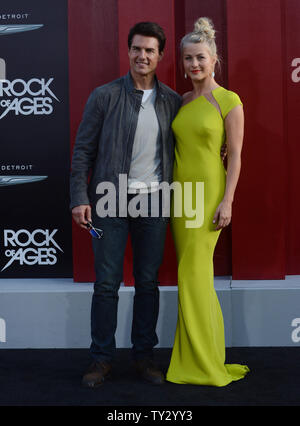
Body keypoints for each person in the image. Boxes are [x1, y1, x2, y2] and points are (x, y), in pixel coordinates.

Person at [70, 22, 182, 387]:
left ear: (160, 55)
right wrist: (79, 197)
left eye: (150, 50)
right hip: (109, 199)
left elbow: (192, 143)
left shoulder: (172, 101)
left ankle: (144, 358)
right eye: (136, 49)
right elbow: (83, 150)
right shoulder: (104, 96)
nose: (142, 56)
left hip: (154, 201)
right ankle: (100, 360)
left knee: (148, 283)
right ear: (128, 51)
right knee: (106, 284)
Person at [166, 17, 250, 386]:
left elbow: (235, 156)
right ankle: (199, 357)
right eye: (188, 58)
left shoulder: (229, 100)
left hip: (209, 195)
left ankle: (204, 364)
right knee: (193, 278)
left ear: (215, 58)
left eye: (200, 57)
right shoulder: (182, 100)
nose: (194, 64)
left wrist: (228, 201)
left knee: (194, 275)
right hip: (179, 196)